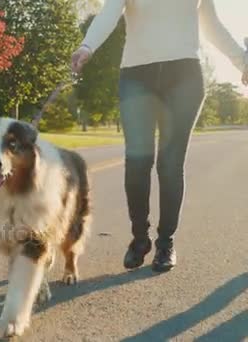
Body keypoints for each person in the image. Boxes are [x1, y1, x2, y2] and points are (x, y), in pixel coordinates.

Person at [71, 0, 248, 272]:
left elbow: (212, 26)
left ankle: (166, 242)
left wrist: (242, 61)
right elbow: (109, 13)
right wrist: (87, 46)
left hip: (185, 75)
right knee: (137, 162)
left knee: (170, 164)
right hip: (137, 75)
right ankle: (140, 238)